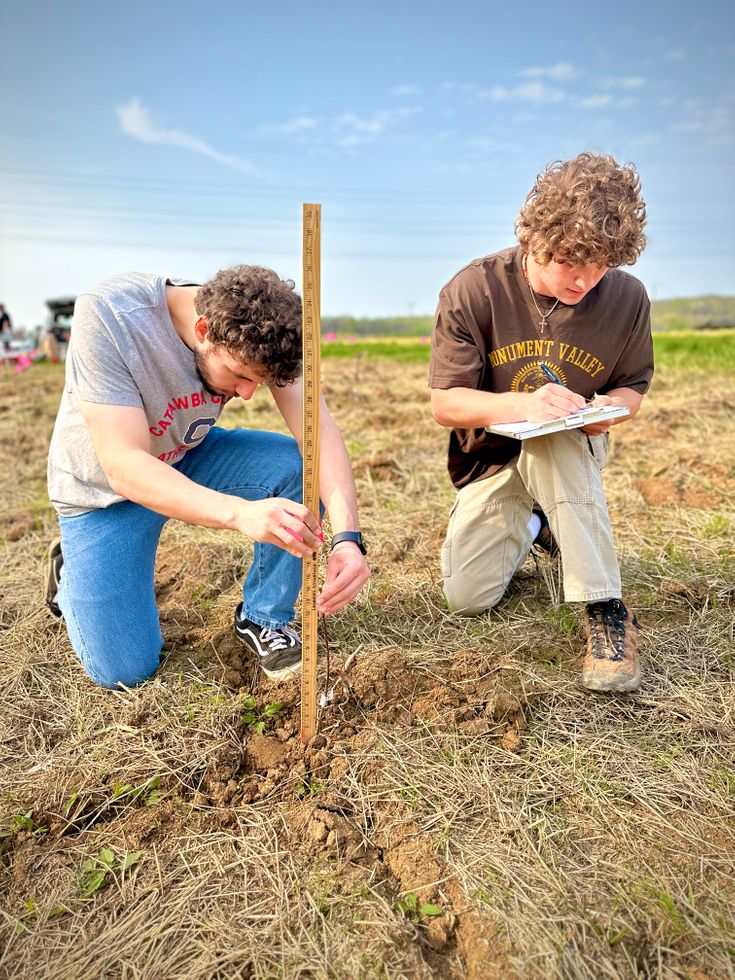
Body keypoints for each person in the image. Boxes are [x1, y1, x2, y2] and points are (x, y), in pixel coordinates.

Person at [46, 266, 370, 688]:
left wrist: (348, 538)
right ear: (203, 329)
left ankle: (264, 618)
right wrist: (239, 513)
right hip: (106, 495)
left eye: (262, 381)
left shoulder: (271, 331)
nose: (249, 393)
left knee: (297, 467)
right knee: (125, 670)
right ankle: (71, 570)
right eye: (240, 376)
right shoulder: (111, 315)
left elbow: (319, 433)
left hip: (188, 455)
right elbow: (124, 464)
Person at [429, 152, 652, 693]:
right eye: (571, 263)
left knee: (555, 444)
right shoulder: (474, 289)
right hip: (493, 455)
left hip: (569, 448)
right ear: (535, 240)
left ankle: (606, 611)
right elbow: (446, 405)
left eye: (602, 264)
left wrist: (609, 413)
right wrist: (521, 406)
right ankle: (539, 524)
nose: (586, 279)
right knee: (468, 598)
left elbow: (633, 385)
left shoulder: (626, 298)